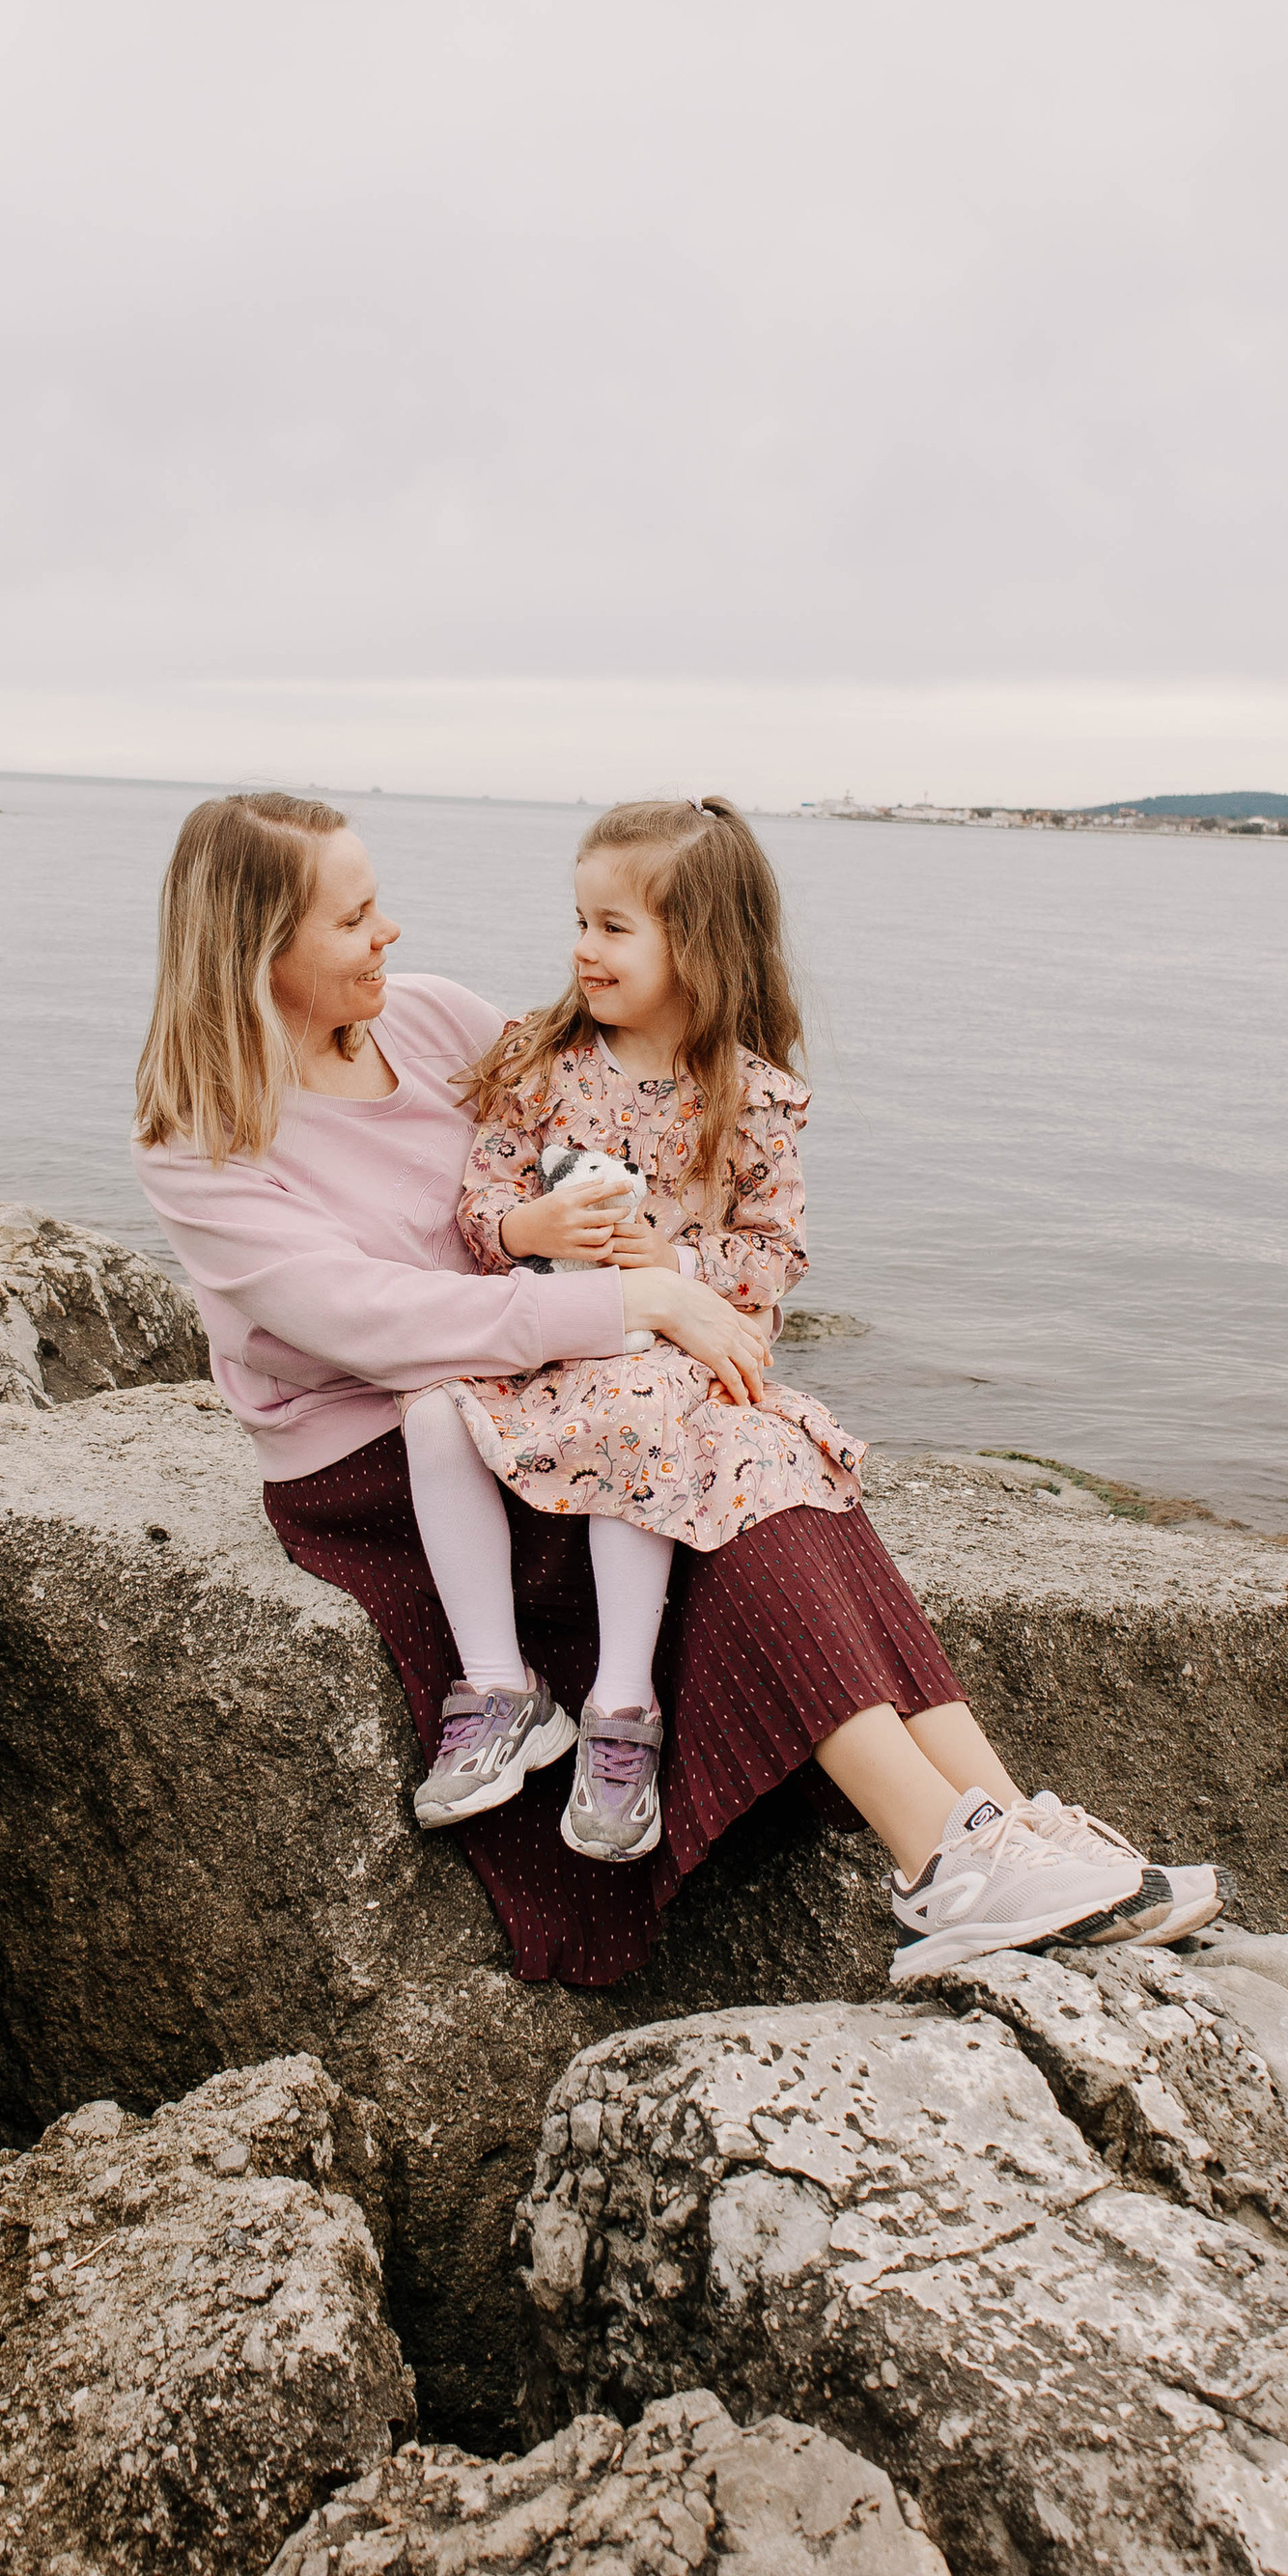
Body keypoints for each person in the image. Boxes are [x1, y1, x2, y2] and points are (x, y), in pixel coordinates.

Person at [131, 789, 1221, 1989]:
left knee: (760, 1455)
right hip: (387, 1456)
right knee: (713, 1493)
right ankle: (937, 1859)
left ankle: (1005, 1822)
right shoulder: (200, 1134)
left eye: (378, 901)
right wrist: (634, 1308)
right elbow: (373, 1324)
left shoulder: (437, 1024)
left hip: (560, 1388)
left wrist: (689, 1279)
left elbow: (629, 1119)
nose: (390, 932)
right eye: (355, 918)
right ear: (257, 950)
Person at [404, 798, 868, 1869]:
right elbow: (480, 1209)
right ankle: (498, 1686)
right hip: (543, 1329)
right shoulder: (543, 1060)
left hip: (660, 1359)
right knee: (431, 1410)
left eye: (613, 927)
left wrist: (674, 1266)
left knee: (637, 1410)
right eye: (578, 919)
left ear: (698, 946)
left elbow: (775, 1251)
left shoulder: (746, 1097)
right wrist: (527, 1224)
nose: (582, 948)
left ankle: (622, 1709)